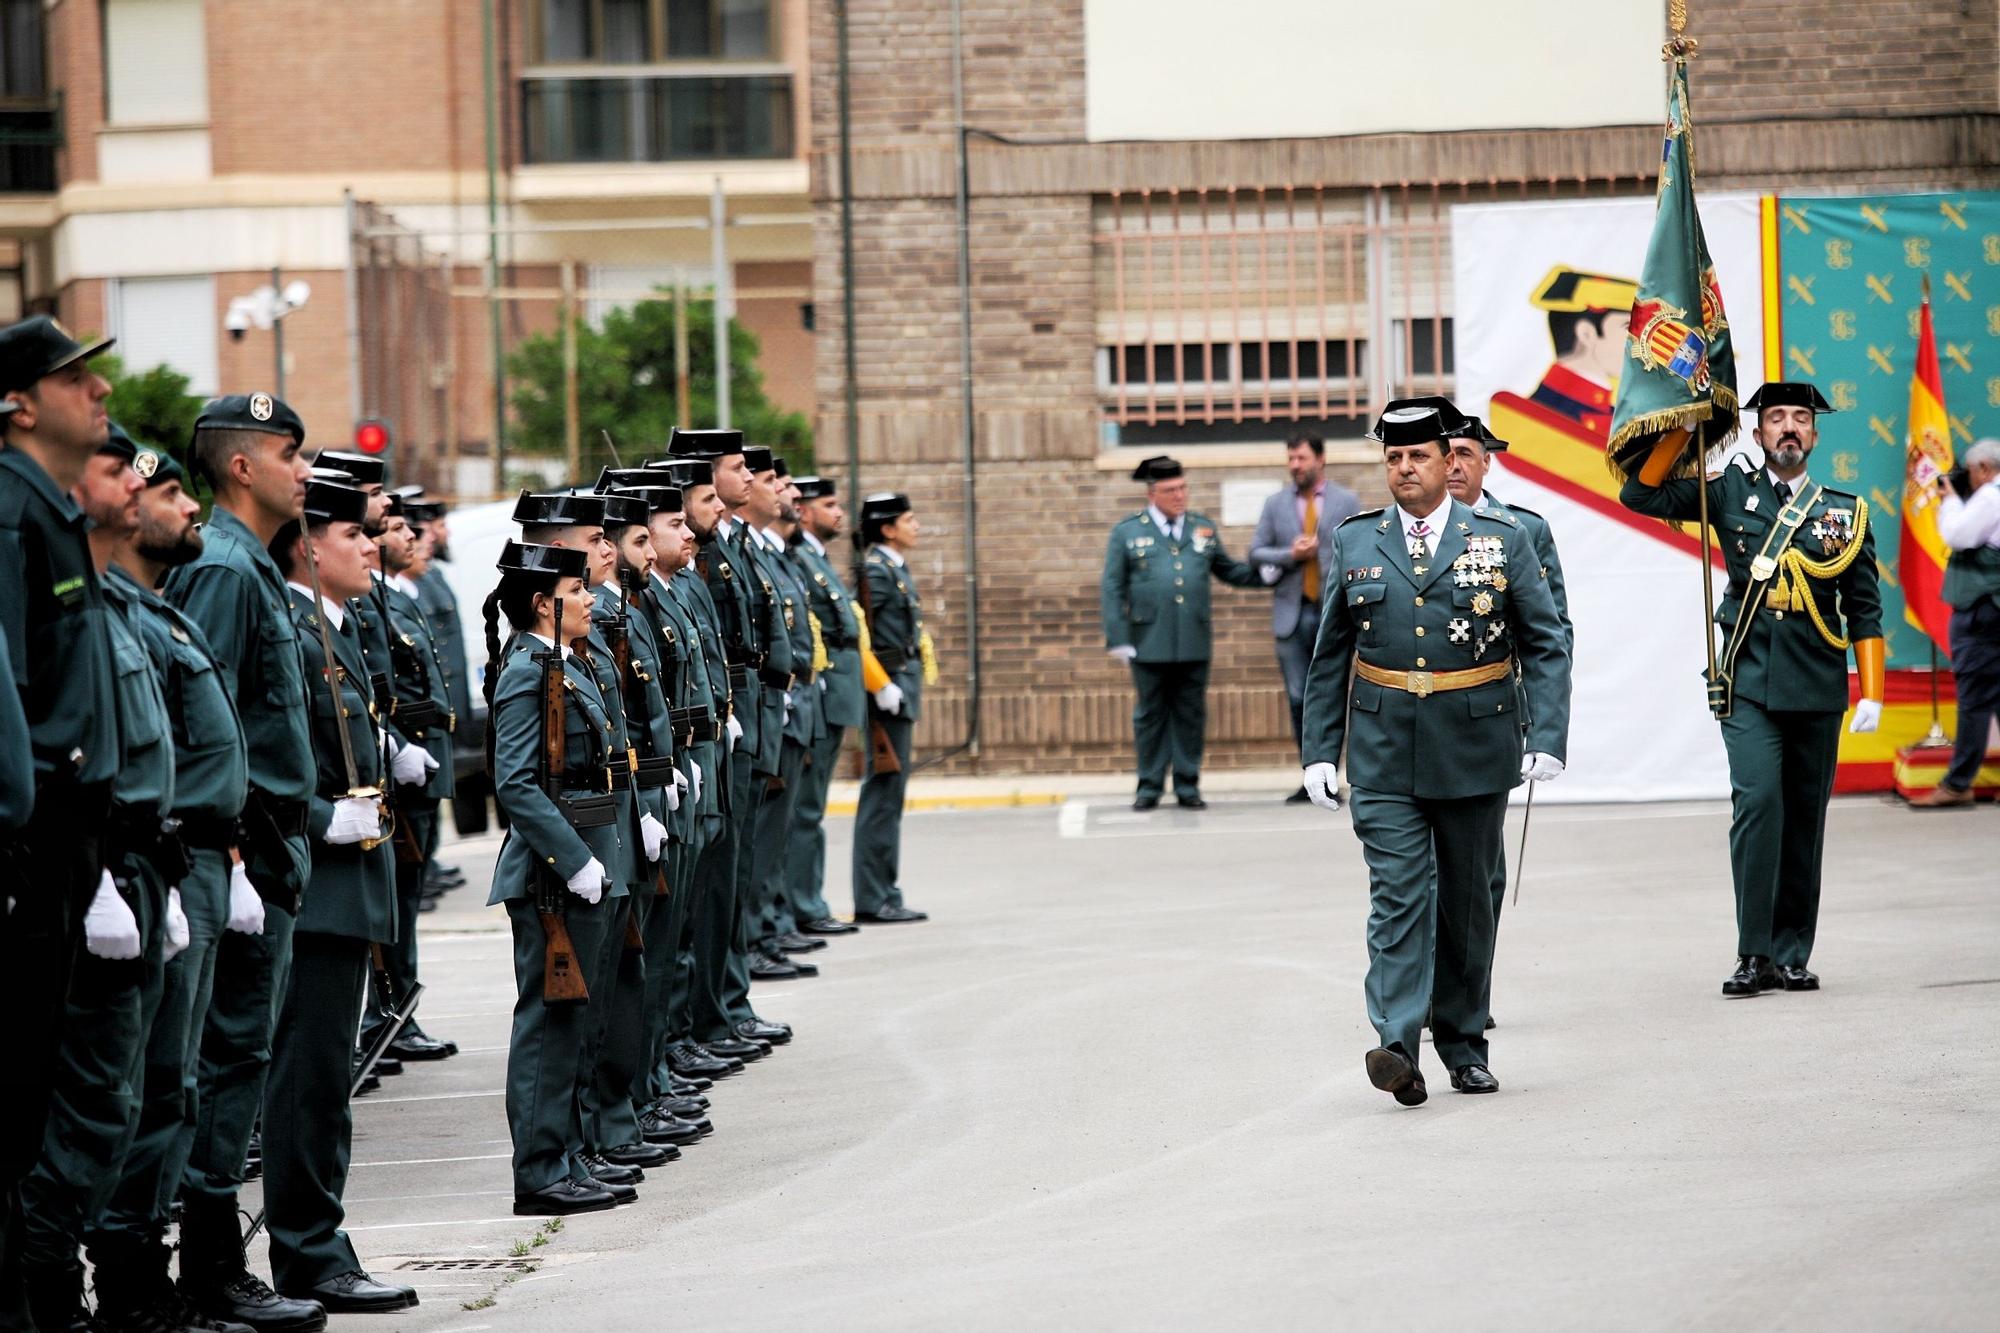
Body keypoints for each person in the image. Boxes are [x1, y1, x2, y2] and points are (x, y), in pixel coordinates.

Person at [1300, 398, 1571, 1106]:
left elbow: (1546, 639)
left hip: (1476, 744)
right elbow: (1331, 653)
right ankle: (1397, 1040)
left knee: (1465, 905)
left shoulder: (1503, 537)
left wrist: (1545, 736)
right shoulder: (1357, 541)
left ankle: (1463, 1042)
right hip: (1384, 747)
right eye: (1393, 457)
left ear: (1449, 460)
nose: (1404, 469)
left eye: (1417, 456)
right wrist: (1319, 750)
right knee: (1397, 895)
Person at [1621, 382, 1884, 996]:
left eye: (1799, 419)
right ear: (1759, 432)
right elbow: (1640, 493)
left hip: (1818, 685)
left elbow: (1865, 610)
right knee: (1760, 804)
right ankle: (1753, 953)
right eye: (1775, 419)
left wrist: (1871, 692)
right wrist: (1686, 430)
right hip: (1748, 682)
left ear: (1814, 435)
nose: (1788, 428)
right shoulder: (1729, 492)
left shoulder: (1844, 513)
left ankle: (1792, 952)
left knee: (1803, 820)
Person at [17, 425, 190, 1333]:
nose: (134, 482)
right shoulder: (60, 597)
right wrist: (97, 873)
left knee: (132, 1098)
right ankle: (43, 1290)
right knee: (88, 1102)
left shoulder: (114, 603)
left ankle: (86, 1280)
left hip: (138, 867)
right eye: (115, 466)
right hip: (93, 868)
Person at [166, 393, 326, 1333]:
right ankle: (210, 1267)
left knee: (239, 1055)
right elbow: (207, 724)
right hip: (246, 848)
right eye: (290, 453)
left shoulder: (249, 567)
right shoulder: (225, 570)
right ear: (242, 467)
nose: (304, 470)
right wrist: (227, 854)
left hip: (270, 846)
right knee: (227, 1058)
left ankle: (216, 1260)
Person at [89, 441, 258, 1332]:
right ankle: (124, 1284)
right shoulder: (112, 615)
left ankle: (150, 1279)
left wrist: (226, 854)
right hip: (150, 865)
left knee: (178, 1084)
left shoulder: (161, 612)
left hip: (193, 861)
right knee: (146, 1083)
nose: (186, 506)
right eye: (163, 492)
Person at [264, 478, 417, 1314]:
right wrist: (323, 817)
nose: (371, 545)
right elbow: (267, 750)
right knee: (308, 1081)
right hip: (315, 882)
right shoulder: (289, 624)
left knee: (326, 1079)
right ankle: (310, 1254)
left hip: (350, 880)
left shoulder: (335, 625)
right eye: (353, 534)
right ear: (306, 545)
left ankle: (319, 1245)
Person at [0, 315, 123, 1333]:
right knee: (16, 1093)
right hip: (31, 836)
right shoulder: (11, 512)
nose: (102, 394)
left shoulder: (49, 508)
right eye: (76, 379)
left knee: (40, 1087)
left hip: (68, 832)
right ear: (21, 403)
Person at [482, 540, 631, 1217]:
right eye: (579, 588)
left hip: (584, 864)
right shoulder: (525, 671)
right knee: (548, 1022)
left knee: (572, 1020)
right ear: (545, 603)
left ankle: (564, 1156)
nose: (592, 595)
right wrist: (574, 861)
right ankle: (540, 1170)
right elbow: (515, 783)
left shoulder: (564, 664)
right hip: (553, 875)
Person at [1100, 455, 1264, 810]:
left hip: (1193, 639)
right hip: (1147, 641)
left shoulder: (1201, 529)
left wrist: (1273, 572)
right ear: (1152, 493)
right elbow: (1113, 588)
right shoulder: (1128, 532)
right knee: (1150, 715)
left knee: (1190, 714)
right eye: (1170, 490)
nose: (1179, 495)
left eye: (1182, 488)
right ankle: (1149, 785)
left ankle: (1188, 783)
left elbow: (1229, 570)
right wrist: (1119, 639)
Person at [1250, 433, 1360, 797]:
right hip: (1292, 615)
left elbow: (1360, 551)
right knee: (1299, 698)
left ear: (1320, 459)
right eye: (1291, 459)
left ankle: (1333, 774)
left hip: (1333, 615)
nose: (1295, 465)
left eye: (1301, 458)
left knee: (1332, 695)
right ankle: (1309, 774)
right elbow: (1257, 552)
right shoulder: (1275, 503)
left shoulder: (1346, 501)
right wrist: (1290, 555)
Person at [786, 476, 866, 938]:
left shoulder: (815, 558)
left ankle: (807, 900)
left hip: (833, 691)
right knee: (806, 809)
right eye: (829, 505)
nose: (838, 513)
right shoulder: (800, 557)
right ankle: (803, 903)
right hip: (820, 689)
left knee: (812, 808)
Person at [852, 492, 933, 923]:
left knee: (891, 795)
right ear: (887, 528)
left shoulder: (892, 569)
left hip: (900, 689)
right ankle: (874, 896)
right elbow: (862, 636)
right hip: (887, 693)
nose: (916, 526)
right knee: (882, 795)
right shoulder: (877, 573)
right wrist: (881, 686)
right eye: (909, 518)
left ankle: (886, 890)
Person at [1912, 438, 2000, 806]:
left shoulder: (1991, 496)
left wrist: (1949, 500)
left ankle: (1959, 782)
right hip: (1991, 608)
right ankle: (1961, 779)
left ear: (1983, 468)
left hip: (1983, 609)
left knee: (1975, 696)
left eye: (1969, 469)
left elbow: (1957, 535)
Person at [1527, 266, 1639, 438]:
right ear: (1587, 333)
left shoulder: (1620, 419)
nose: (1638, 341)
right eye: (1628, 328)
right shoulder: (1531, 418)